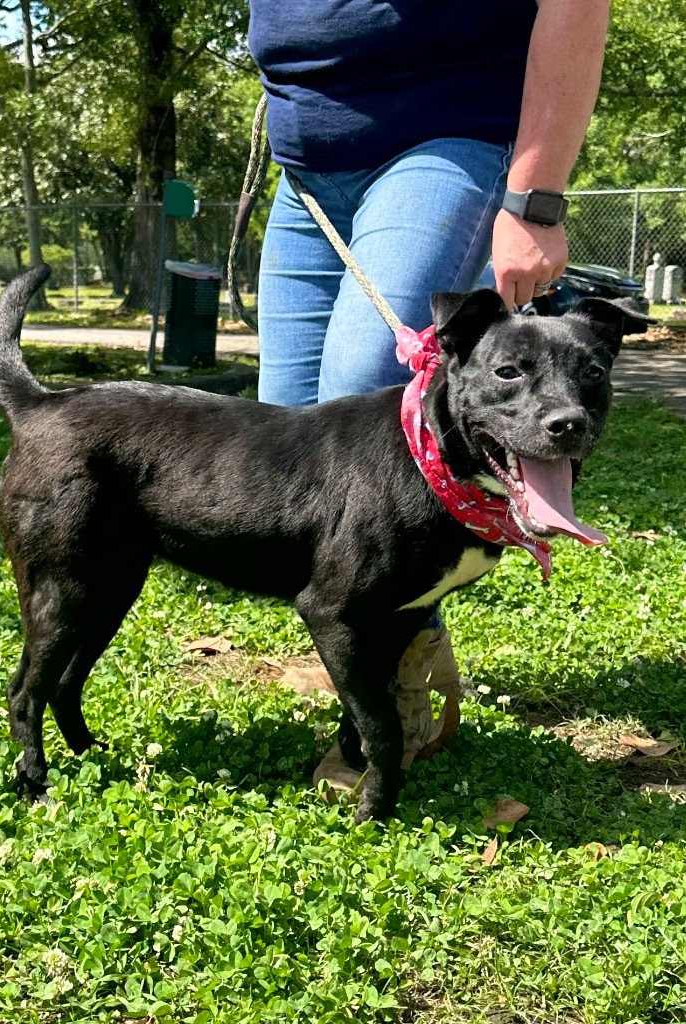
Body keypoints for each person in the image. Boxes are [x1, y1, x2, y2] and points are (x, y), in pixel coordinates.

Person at [247, 0, 610, 795]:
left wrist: (535, 198)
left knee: (365, 396)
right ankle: (381, 629)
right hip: (306, 171)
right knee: (290, 443)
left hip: (442, 137)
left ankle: (394, 681)